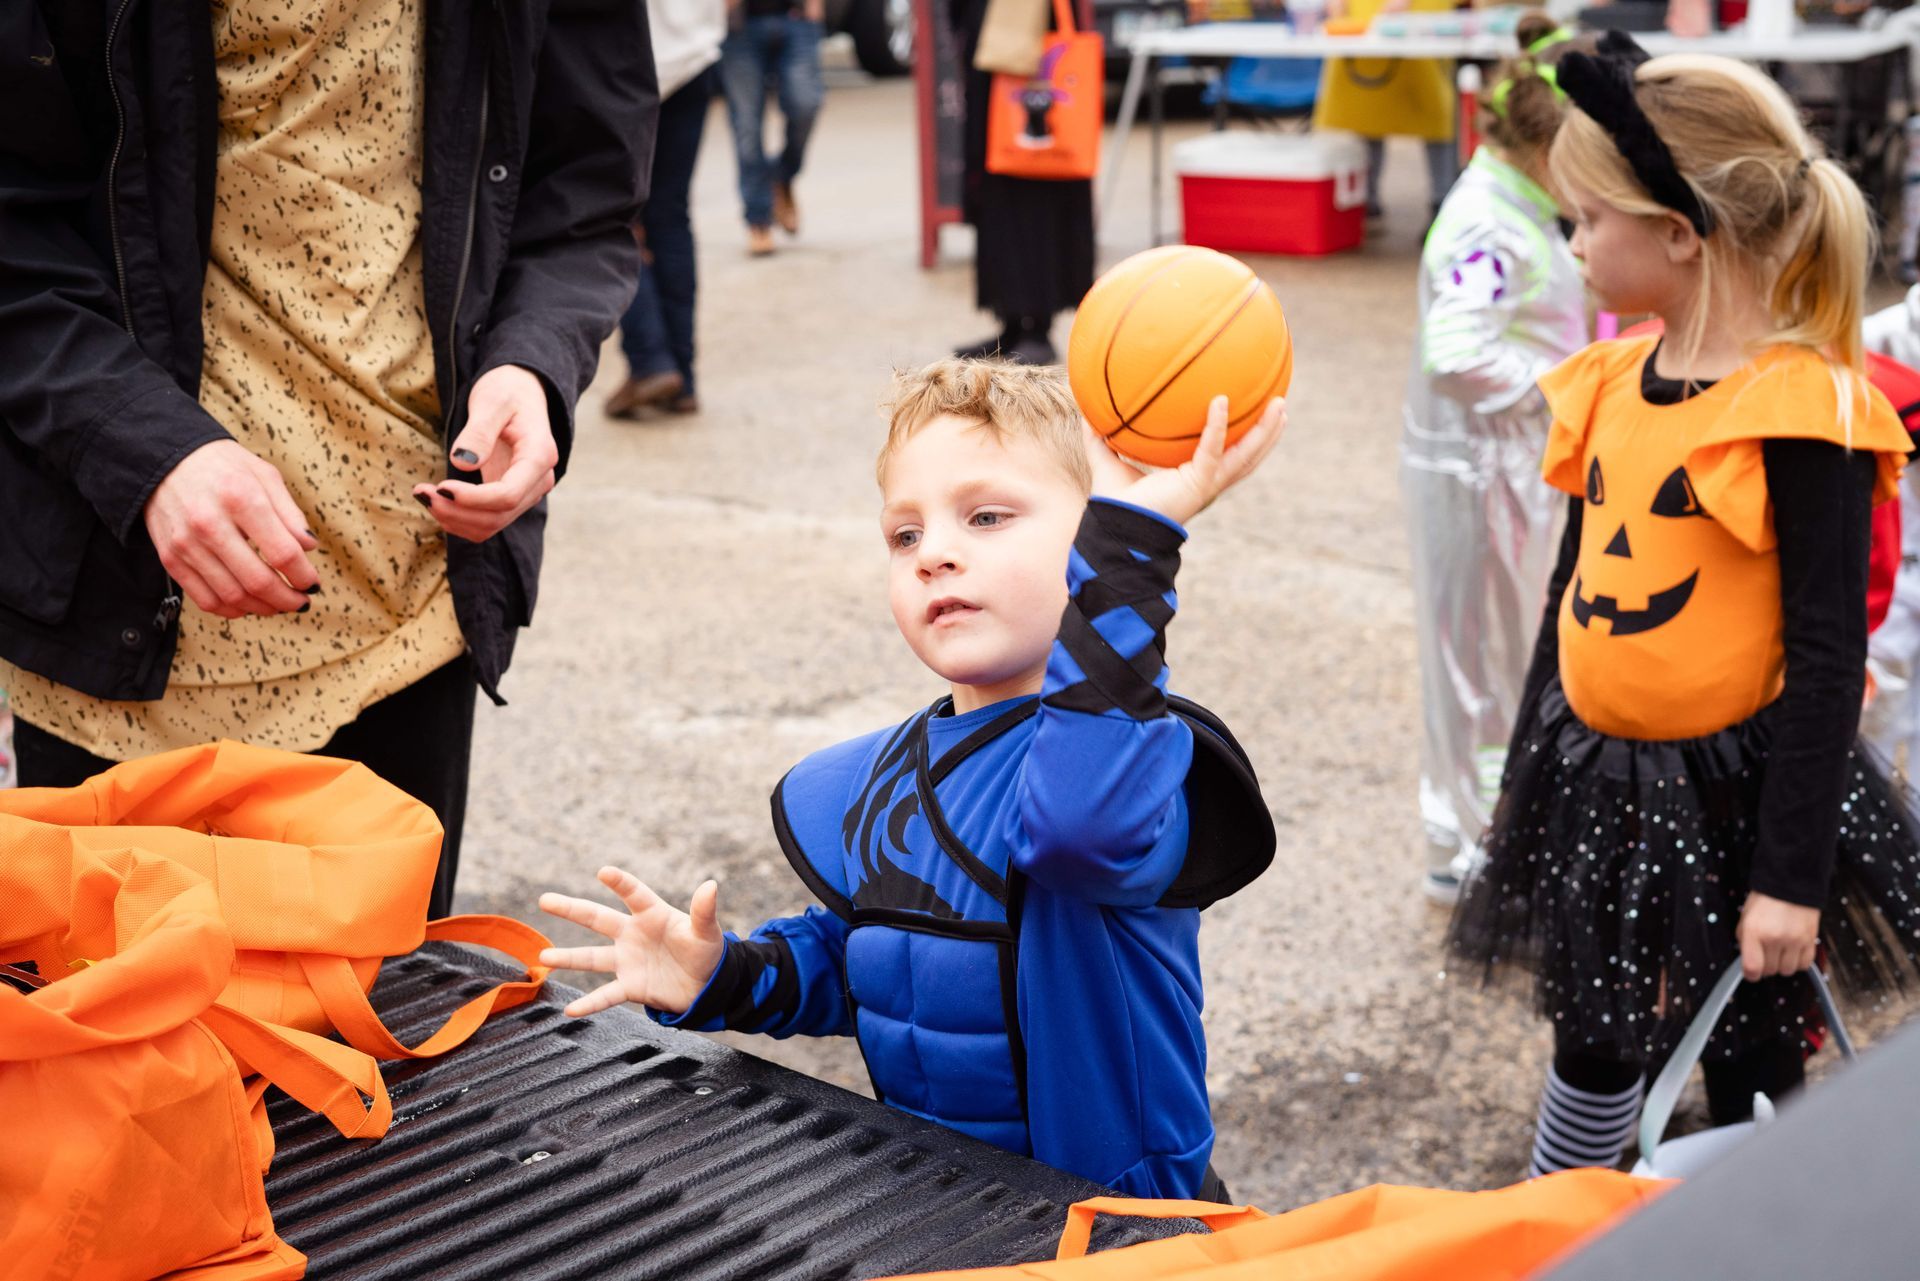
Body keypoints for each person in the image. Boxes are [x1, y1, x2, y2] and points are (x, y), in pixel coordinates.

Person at [539, 360, 1285, 1198]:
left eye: (987, 516)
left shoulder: (1144, 766)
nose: (935, 554)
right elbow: (881, 968)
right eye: (905, 534)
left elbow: (1078, 832)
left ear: (1094, 539)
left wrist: (1129, 553)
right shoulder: (883, 774)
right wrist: (722, 975)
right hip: (942, 1217)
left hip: (1124, 1237)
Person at [0, 0, 657, 918]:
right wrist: (141, 448)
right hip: (120, 610)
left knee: (374, 1033)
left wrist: (532, 362)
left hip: (411, 596)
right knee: (122, 1042)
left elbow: (583, 189)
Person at [1448, 33, 1920, 1179]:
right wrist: (1522, 787)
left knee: (1752, 1044)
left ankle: (1759, 1225)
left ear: (1675, 232)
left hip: (1741, 801)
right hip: (1594, 779)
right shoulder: (1609, 381)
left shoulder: (1804, 414)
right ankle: (1567, 1210)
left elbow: (1825, 660)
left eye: (1586, 220)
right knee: (1594, 1033)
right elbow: (1573, 601)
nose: (1571, 245)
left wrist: (1788, 881)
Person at [1403, 16, 1592, 906]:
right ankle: (1474, 846)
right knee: (1485, 662)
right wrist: (1574, 387)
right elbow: (1456, 349)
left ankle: (1495, 834)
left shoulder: (1512, 209)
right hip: (1485, 476)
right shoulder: (1487, 225)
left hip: (1509, 468)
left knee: (1508, 656)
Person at [952, 0, 1094, 365]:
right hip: (998, 52)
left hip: (1037, 54)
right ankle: (1012, 318)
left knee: (1036, 180)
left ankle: (1038, 323)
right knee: (998, 182)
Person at [607, 0, 730, 419]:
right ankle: (683, 380)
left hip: (625, 65)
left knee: (610, 218)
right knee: (670, 217)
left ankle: (651, 361)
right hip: (692, 54)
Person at [1314, 0, 1460, 224]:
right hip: (1360, 21)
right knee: (1366, 111)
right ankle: (1364, 199)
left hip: (1421, 22)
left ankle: (1443, 202)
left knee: (1436, 114)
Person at [720, 0, 825, 258]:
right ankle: (758, 218)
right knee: (746, 125)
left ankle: (782, 176)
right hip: (739, 22)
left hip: (796, 15)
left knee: (806, 104)